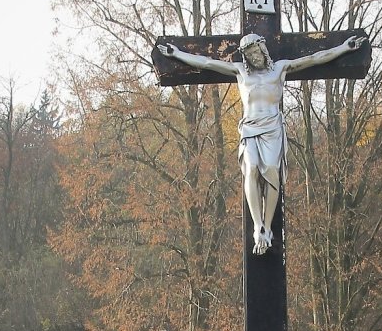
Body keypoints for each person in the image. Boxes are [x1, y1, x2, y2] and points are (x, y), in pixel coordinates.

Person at [156, 30, 365, 254]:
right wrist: (177, 54)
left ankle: (268, 223)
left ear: (263, 51)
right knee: (252, 168)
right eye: (250, 55)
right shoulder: (240, 72)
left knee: (272, 170)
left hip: (273, 127)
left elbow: (314, 59)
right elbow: (206, 62)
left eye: (257, 53)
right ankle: (259, 227)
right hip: (250, 127)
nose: (254, 58)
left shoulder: (279, 69)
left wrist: (344, 48)